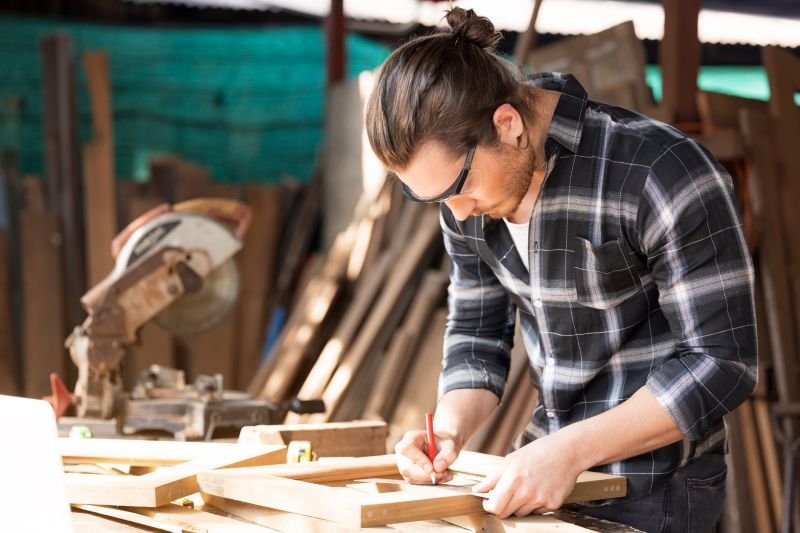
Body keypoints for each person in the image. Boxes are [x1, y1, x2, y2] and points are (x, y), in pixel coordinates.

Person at [364, 7, 757, 532]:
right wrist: (450, 433)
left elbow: (721, 361)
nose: (456, 214)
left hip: (657, 486)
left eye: (458, 188)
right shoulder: (465, 199)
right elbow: (477, 332)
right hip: (544, 470)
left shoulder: (662, 173)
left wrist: (570, 451)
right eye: (433, 199)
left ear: (507, 125)